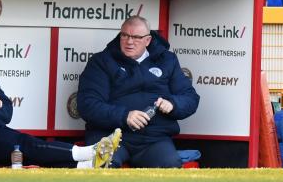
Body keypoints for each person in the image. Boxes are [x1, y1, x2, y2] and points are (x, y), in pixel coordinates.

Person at [77, 15, 200, 168]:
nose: (129, 41)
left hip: (154, 138)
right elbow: (87, 104)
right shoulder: (101, 61)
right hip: (111, 135)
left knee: (169, 166)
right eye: (125, 35)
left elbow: (190, 98)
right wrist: (124, 116)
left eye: (136, 37)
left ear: (147, 40)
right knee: (106, 164)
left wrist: (173, 104)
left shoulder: (167, 60)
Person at [0, 65, 122, 168]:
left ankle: (85, 165)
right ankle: (90, 152)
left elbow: (7, 111)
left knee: (26, 153)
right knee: (25, 144)